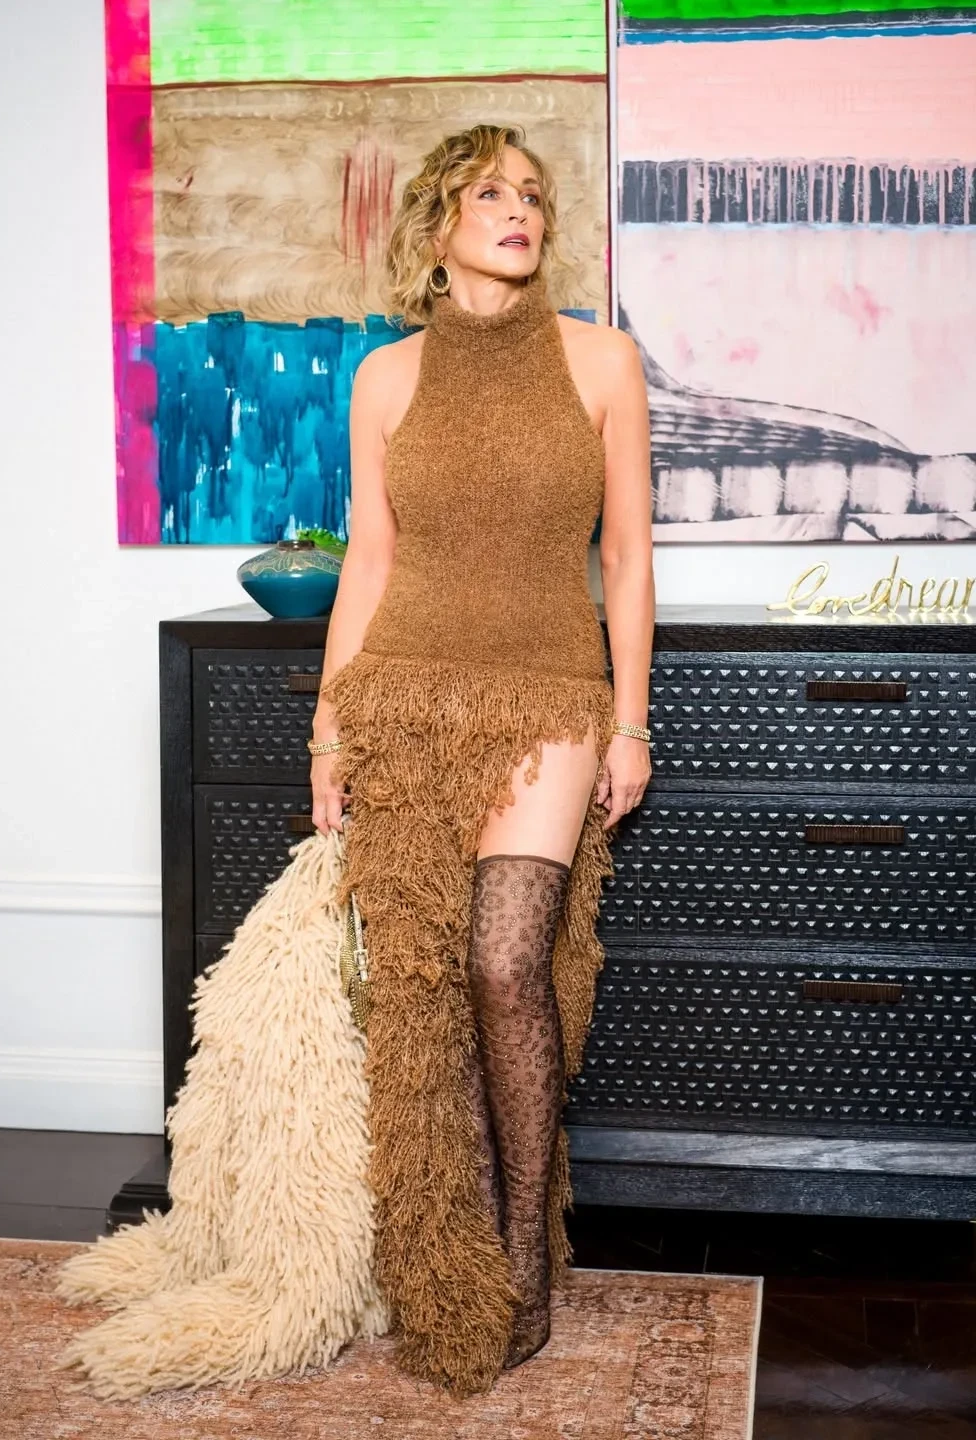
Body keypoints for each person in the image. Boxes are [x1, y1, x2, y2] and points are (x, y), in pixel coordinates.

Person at [310, 123, 654, 1395]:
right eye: (491, 192)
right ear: (439, 222)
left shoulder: (602, 360)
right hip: (403, 694)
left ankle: (523, 1255)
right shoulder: (385, 378)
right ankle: (443, 1261)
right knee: (417, 997)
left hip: (550, 695)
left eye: (533, 195)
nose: (520, 212)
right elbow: (371, 561)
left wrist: (630, 721)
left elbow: (627, 559)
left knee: (506, 964)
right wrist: (327, 727)